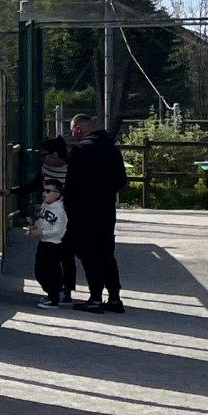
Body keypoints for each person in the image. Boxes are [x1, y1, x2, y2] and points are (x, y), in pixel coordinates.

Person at [61, 110, 125, 312]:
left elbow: (72, 184)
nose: (73, 135)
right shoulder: (113, 150)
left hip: (83, 211)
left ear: (79, 128)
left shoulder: (81, 150)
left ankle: (95, 298)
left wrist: (70, 207)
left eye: (73, 131)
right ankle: (114, 298)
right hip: (106, 210)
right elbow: (121, 181)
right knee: (107, 253)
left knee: (89, 255)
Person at [32, 180, 73, 306]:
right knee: (39, 270)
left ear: (58, 193)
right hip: (43, 242)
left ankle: (54, 298)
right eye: (43, 190)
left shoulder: (60, 210)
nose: (45, 193)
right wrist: (34, 228)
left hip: (53, 244)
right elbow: (41, 220)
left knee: (52, 270)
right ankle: (52, 292)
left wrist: (42, 232)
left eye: (49, 191)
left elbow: (58, 229)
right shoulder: (45, 205)